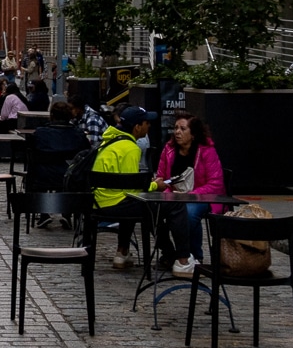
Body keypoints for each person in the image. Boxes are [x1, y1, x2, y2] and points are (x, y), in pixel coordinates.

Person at [153, 112, 227, 277]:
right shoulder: (169, 149)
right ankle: (170, 253)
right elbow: (162, 179)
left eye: (182, 129)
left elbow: (215, 184)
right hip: (174, 197)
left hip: (203, 198)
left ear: (193, 134)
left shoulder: (207, 151)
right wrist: (166, 193)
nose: (177, 132)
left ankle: (194, 256)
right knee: (153, 211)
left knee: (189, 212)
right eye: (176, 128)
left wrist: (190, 195)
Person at [91, 106, 153, 269]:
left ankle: (122, 252)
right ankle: (175, 255)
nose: (149, 126)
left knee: (131, 203)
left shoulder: (108, 141)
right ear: (137, 127)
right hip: (114, 205)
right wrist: (155, 185)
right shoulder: (131, 148)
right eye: (147, 123)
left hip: (97, 203)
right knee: (155, 207)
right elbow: (133, 188)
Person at [23, 99, 89, 192]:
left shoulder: (40, 133)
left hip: (43, 177)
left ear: (52, 116)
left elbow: (30, 153)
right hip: (71, 177)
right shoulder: (79, 135)